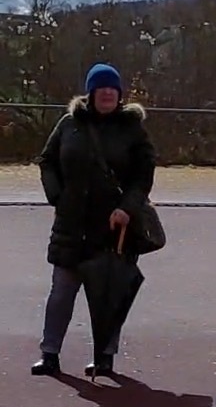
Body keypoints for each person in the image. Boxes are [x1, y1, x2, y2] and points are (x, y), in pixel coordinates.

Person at [31, 63, 156, 378]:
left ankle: (104, 358)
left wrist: (127, 208)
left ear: (120, 94)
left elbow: (143, 176)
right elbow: (47, 160)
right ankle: (49, 354)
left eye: (113, 89)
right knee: (61, 293)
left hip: (112, 228)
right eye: (101, 89)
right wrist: (57, 195)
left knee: (107, 297)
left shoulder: (132, 129)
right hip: (71, 226)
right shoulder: (69, 124)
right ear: (91, 92)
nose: (107, 94)